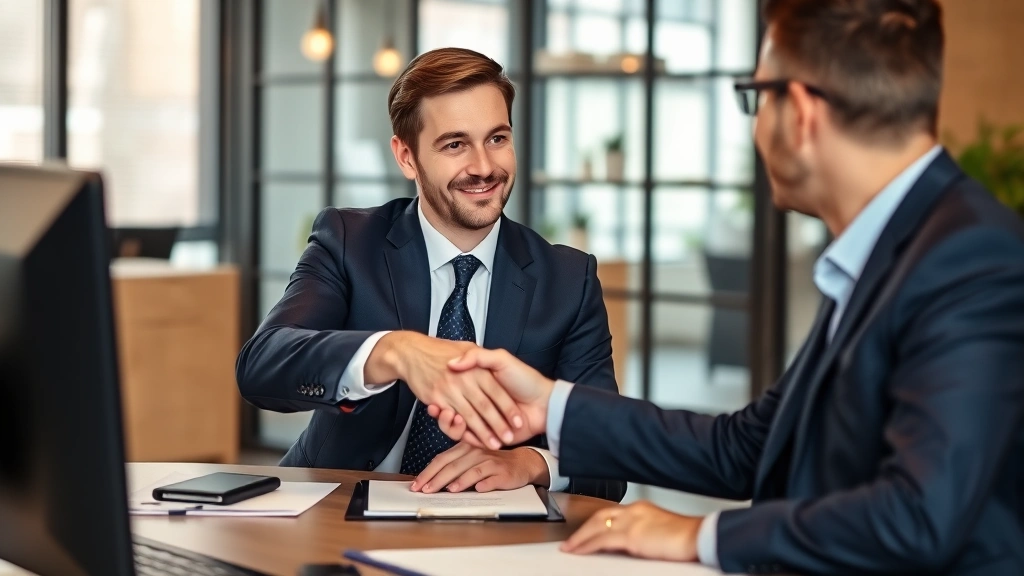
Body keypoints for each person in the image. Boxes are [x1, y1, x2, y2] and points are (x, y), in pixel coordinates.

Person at [433, 0, 1024, 573]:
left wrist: (700, 534)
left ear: (801, 112)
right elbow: (746, 448)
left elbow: (918, 516)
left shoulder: (969, 259)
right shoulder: (893, 249)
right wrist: (548, 403)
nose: (757, 127)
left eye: (756, 98)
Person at [236, 47, 626, 502]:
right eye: (455, 144)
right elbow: (262, 367)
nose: (484, 167)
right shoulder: (349, 241)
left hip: (489, 535)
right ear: (406, 157)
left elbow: (609, 457)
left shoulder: (569, 278)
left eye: (497, 138)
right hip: (336, 507)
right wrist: (395, 351)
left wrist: (531, 462)